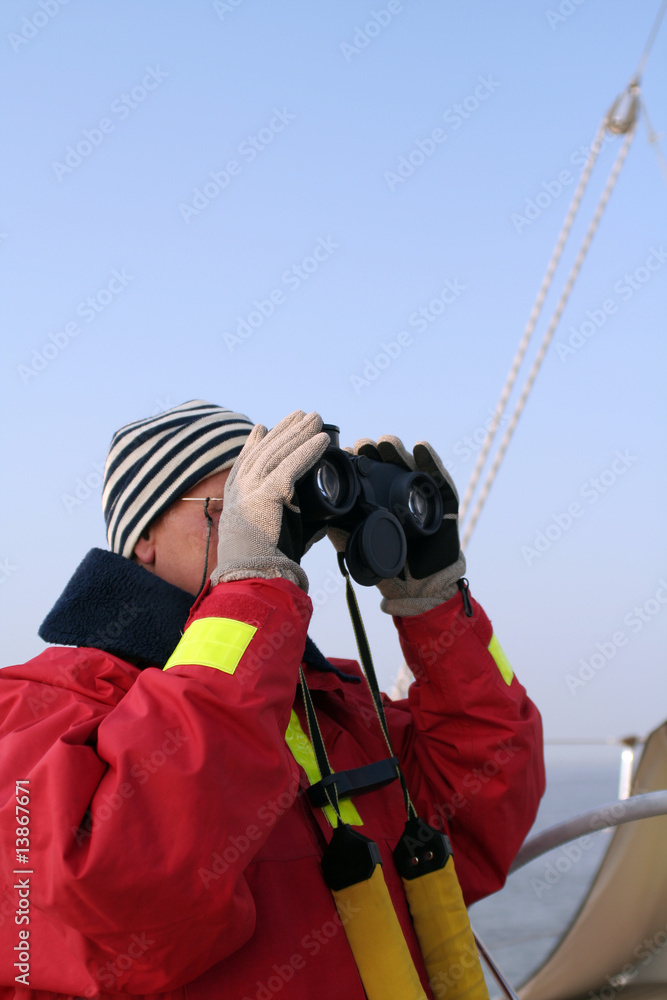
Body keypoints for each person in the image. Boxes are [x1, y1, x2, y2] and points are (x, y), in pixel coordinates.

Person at [0, 400, 545, 999]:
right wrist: (255, 594)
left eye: (269, 509)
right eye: (231, 511)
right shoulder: (40, 707)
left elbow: (485, 810)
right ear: (144, 538)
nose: (259, 530)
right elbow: (112, 905)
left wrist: (436, 604)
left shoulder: (323, 699)